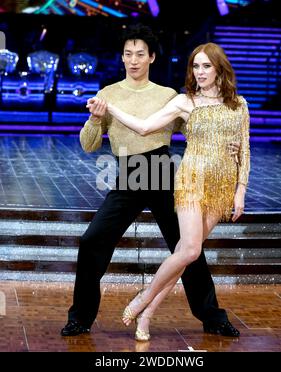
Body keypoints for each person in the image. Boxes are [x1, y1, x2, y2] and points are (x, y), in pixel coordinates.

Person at [61, 24, 241, 339]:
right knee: (92, 241)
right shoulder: (108, 94)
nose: (133, 60)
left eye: (140, 54)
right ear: (122, 57)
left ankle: (212, 317)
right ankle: (80, 317)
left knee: (188, 248)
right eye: (128, 54)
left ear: (151, 57)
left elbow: (197, 132)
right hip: (128, 175)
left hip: (163, 173)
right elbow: (89, 145)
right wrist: (93, 119)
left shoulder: (168, 96)